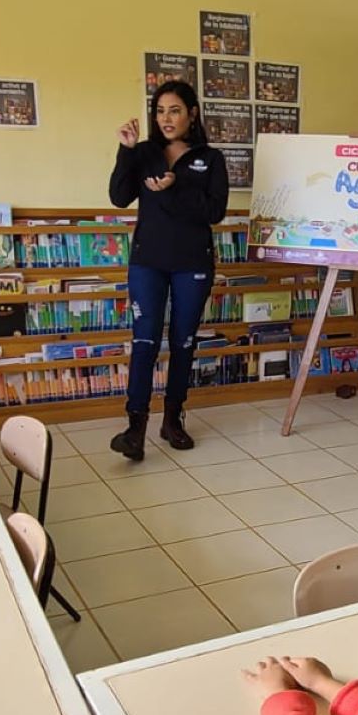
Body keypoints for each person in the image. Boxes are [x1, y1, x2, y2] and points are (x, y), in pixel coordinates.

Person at [107, 79, 230, 461]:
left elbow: (214, 212)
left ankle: (173, 418)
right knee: (144, 342)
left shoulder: (210, 158)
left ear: (191, 113)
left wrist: (176, 188)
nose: (166, 118)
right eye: (160, 111)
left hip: (192, 263)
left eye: (174, 110)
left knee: (183, 343)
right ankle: (135, 428)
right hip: (148, 262)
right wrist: (125, 151)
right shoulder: (143, 153)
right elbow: (118, 196)